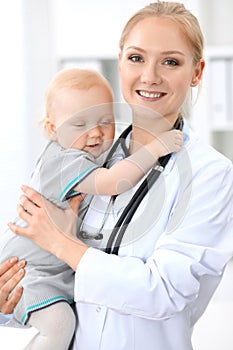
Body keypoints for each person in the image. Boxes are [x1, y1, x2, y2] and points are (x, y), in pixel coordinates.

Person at [1, 1, 233, 349]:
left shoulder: (211, 174)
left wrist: (62, 243)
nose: (150, 76)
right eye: (136, 58)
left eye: (170, 62)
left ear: (197, 72)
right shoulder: (87, 152)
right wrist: (10, 301)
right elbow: (50, 284)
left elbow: (164, 292)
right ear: (121, 62)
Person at [0, 67, 182, 349]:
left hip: (59, 271)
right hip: (31, 272)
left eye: (105, 121)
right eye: (80, 124)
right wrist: (155, 149)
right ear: (52, 129)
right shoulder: (62, 161)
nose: (96, 132)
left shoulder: (92, 154)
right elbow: (112, 182)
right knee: (59, 325)